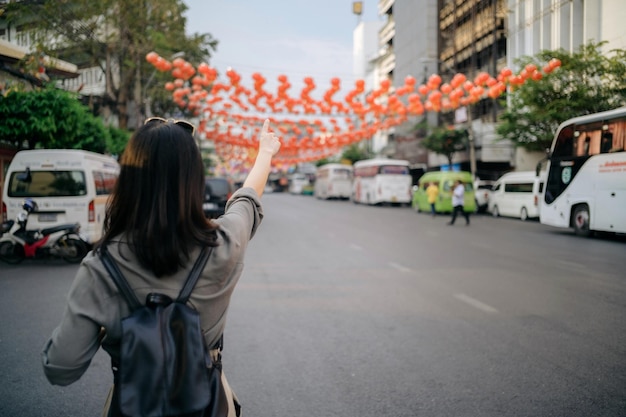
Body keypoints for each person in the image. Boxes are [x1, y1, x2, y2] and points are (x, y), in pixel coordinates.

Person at [41, 117, 281, 416]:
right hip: (207, 402)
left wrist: (108, 323)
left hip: (132, 403)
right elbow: (247, 197)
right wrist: (266, 152)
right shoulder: (225, 242)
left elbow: (61, 368)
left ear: (128, 180)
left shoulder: (101, 265)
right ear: (195, 180)